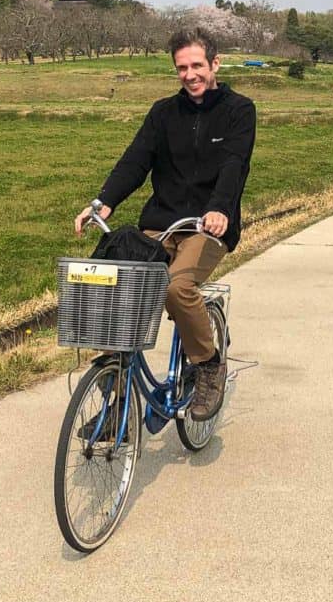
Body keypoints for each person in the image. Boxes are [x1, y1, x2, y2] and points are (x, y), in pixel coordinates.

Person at [74, 27, 256, 420]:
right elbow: (135, 161)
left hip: (208, 228)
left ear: (215, 64)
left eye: (197, 66)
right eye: (181, 68)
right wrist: (104, 202)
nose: (189, 74)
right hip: (160, 224)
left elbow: (233, 164)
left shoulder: (238, 110)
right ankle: (116, 394)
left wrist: (220, 208)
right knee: (113, 286)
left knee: (177, 288)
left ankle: (208, 365)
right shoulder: (163, 113)